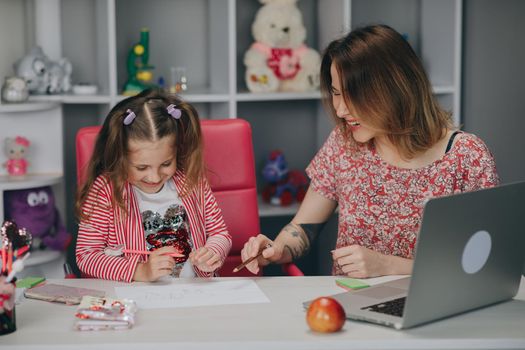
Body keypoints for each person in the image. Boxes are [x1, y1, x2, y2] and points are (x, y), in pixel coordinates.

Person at [240, 25, 499, 278]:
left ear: (395, 89)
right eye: (336, 93)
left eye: (352, 95)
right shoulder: (343, 144)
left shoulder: (467, 156)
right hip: (346, 307)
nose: (340, 110)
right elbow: (303, 228)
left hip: (434, 309)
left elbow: (483, 262)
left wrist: (388, 266)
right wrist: (277, 249)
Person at [76, 88, 232, 282]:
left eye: (166, 164)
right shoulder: (105, 191)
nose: (154, 176)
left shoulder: (192, 181)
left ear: (176, 152)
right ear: (120, 156)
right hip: (135, 298)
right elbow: (86, 256)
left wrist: (213, 251)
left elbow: (220, 233)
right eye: (142, 167)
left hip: (194, 293)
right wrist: (139, 271)